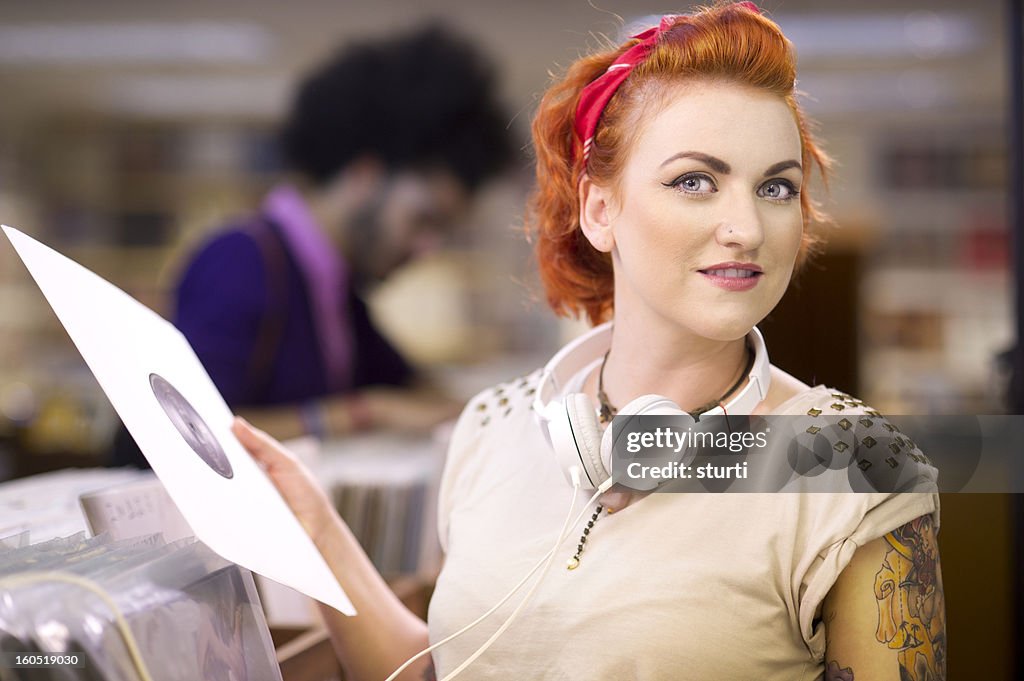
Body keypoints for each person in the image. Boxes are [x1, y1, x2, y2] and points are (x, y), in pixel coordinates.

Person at [233, 3, 945, 680]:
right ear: (600, 210)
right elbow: (437, 668)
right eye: (696, 181)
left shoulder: (858, 469)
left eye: (778, 188)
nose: (747, 228)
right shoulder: (492, 428)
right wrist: (318, 533)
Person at [112, 25, 514, 468]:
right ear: (364, 175)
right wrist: (364, 412)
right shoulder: (241, 261)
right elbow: (181, 426)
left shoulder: (334, 289)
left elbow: (414, 389)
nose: (426, 248)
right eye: (423, 219)